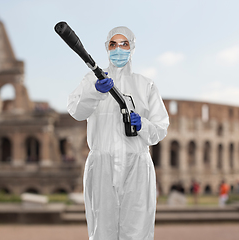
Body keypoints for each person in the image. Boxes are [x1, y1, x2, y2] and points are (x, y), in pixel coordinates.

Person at [68, 26, 169, 240]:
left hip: (137, 166)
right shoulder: (91, 80)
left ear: (132, 47)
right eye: (113, 44)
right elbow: (76, 111)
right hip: (101, 165)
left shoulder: (145, 85)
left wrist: (143, 125)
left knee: (137, 229)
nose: (119, 49)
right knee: (101, 230)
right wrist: (95, 91)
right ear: (107, 48)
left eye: (124, 44)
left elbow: (160, 129)